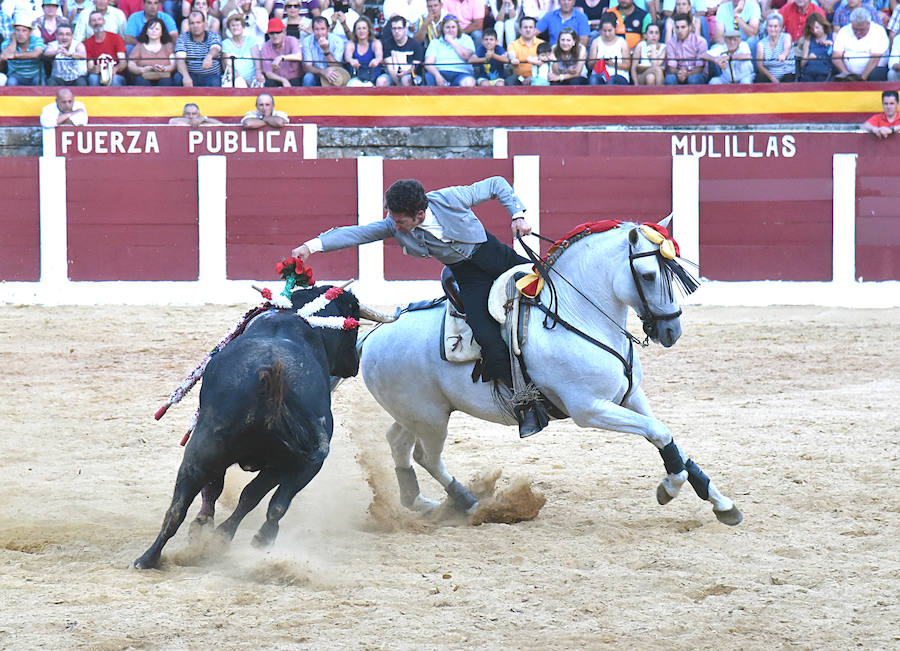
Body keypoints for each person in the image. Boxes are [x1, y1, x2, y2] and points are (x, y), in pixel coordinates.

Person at [290, 177, 549, 438]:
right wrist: (310, 247)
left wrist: (518, 214)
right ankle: (525, 403)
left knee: (550, 292)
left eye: (401, 221)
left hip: (498, 258)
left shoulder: (450, 198)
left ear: (420, 214)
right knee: (487, 338)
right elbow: (357, 233)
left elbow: (495, 184)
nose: (396, 225)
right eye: (393, 219)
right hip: (470, 280)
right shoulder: (395, 225)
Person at [831, 7, 888, 81]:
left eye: (861, 30)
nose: (858, 32)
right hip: (847, 73)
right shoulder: (844, 31)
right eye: (855, 29)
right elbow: (836, 56)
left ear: (868, 24)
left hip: (873, 71)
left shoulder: (879, 31)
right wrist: (847, 76)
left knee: (876, 75)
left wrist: (861, 79)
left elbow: (874, 59)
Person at [424, 14, 476, 85]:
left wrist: (452, 42)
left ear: (458, 28)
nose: (450, 30)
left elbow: (466, 56)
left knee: (469, 82)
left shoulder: (466, 39)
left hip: (461, 73)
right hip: (440, 72)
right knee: (427, 78)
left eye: (453, 27)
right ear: (443, 29)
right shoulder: (435, 42)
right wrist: (437, 75)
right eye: (447, 27)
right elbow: (428, 63)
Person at [174, 9, 221, 85]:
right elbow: (180, 60)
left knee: (214, 82)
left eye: (198, 22)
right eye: (192, 23)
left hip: (210, 76)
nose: (195, 26)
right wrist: (186, 77)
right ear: (189, 25)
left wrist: (209, 56)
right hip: (191, 74)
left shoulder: (213, 36)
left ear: (204, 24)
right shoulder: (182, 38)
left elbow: (215, 48)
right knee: (178, 77)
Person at [378, 14, 426, 85]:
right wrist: (399, 84)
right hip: (392, 75)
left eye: (399, 28)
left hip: (410, 75)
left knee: (405, 80)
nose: (396, 31)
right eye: (394, 28)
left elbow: (415, 68)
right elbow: (390, 68)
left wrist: (405, 73)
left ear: (405, 29)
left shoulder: (415, 45)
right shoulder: (387, 44)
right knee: (381, 81)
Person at [301, 15, 349, 85]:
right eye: (317, 29)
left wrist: (326, 50)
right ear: (313, 30)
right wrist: (323, 72)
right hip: (317, 74)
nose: (320, 33)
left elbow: (338, 66)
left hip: (334, 73)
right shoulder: (307, 41)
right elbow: (307, 67)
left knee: (337, 77)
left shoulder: (338, 40)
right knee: (308, 78)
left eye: (322, 29)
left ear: (328, 29)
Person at [83, 9, 127, 84]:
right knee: (92, 78)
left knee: (115, 80)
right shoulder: (87, 43)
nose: (97, 22)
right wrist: (94, 69)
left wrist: (114, 70)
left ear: (104, 21)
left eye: (99, 19)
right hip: (99, 75)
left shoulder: (116, 38)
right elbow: (90, 66)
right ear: (89, 24)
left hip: (116, 74)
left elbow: (123, 62)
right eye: (93, 20)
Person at [127, 15, 175, 83]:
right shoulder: (139, 46)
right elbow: (131, 64)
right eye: (151, 28)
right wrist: (142, 69)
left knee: (166, 81)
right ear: (146, 31)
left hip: (164, 76)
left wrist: (164, 69)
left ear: (162, 32)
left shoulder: (168, 46)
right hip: (143, 76)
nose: (153, 31)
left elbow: (174, 64)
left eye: (157, 29)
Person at [0, 16, 45, 85]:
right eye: (17, 30)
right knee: (11, 82)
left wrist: (14, 55)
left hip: (35, 74)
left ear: (30, 33)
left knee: (40, 82)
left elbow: (36, 53)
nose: (20, 34)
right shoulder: (7, 43)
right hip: (16, 74)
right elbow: (5, 56)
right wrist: (14, 41)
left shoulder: (37, 40)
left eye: (24, 31)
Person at [665, 12, 708, 83]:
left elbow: (700, 68)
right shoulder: (671, 43)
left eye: (683, 27)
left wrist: (687, 74)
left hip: (696, 74)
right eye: (677, 27)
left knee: (693, 79)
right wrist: (679, 73)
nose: (679, 31)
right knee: (670, 79)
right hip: (678, 74)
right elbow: (672, 68)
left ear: (690, 27)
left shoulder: (700, 41)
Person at [221, 11, 261, 86]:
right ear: (229, 28)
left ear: (243, 27)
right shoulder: (225, 43)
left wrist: (258, 74)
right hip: (235, 78)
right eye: (232, 25)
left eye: (238, 25)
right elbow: (229, 68)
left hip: (253, 78)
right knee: (239, 83)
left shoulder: (251, 40)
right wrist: (244, 81)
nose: (235, 27)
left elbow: (257, 61)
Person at [588, 12, 629, 83]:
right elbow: (590, 65)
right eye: (604, 31)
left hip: (618, 75)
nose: (607, 34)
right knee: (593, 80)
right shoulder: (596, 42)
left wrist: (612, 64)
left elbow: (627, 66)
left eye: (610, 30)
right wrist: (599, 62)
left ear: (615, 28)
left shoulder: (622, 42)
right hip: (599, 74)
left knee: (612, 81)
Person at [261, 17, 303, 85]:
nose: (275, 36)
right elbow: (268, 73)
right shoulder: (265, 47)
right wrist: (283, 80)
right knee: (269, 83)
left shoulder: (292, 40)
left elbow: (298, 56)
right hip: (276, 79)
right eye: (272, 33)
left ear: (284, 32)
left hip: (295, 78)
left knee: (296, 82)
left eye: (278, 32)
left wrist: (280, 58)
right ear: (268, 34)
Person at [505, 15, 545, 85]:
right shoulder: (513, 44)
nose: (528, 30)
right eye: (525, 27)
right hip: (519, 77)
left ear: (535, 30)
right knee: (510, 81)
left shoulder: (542, 44)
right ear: (520, 30)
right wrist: (513, 59)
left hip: (537, 77)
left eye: (530, 27)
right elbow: (511, 54)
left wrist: (532, 77)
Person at [755, 11, 794, 81]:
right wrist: (772, 78)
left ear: (780, 28)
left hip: (787, 73)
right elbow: (760, 66)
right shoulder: (761, 43)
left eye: (775, 26)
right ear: (767, 27)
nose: (773, 29)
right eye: (770, 26)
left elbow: (787, 48)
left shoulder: (786, 37)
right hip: (769, 76)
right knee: (760, 78)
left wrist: (784, 55)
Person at [343, 14, 381, 85]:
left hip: (372, 77)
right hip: (356, 77)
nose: (361, 31)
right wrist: (351, 61)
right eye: (359, 28)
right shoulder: (350, 44)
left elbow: (379, 57)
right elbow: (347, 57)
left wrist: (376, 60)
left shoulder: (376, 43)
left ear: (368, 30)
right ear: (355, 31)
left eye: (364, 28)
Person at [798, 12, 832, 80]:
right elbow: (802, 64)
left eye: (817, 27)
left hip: (825, 73)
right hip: (809, 73)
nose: (815, 31)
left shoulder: (832, 37)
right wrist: (808, 58)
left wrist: (832, 45)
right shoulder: (808, 40)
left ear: (823, 25)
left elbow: (837, 57)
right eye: (812, 29)